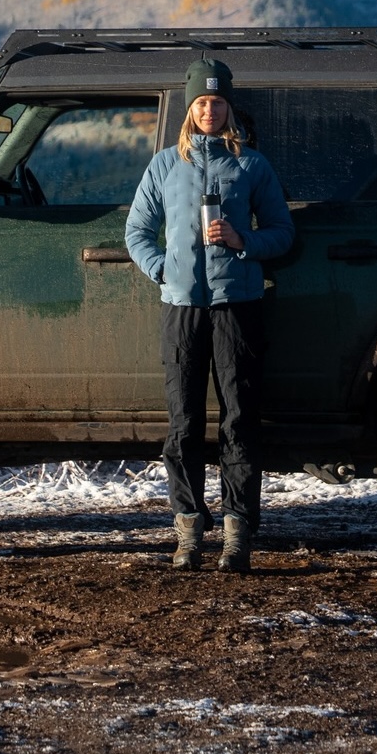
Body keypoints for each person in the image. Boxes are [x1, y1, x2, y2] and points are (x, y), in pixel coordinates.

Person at [125, 58, 295, 573]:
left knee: (239, 422)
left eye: (217, 102)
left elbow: (284, 233)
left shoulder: (251, 166)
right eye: (201, 102)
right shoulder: (163, 166)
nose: (209, 110)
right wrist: (164, 270)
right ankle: (187, 532)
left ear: (228, 107)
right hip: (181, 310)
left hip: (237, 307)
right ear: (189, 106)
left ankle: (238, 535)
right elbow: (136, 233)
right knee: (183, 424)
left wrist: (244, 241)